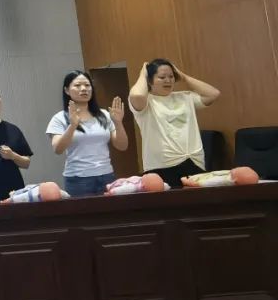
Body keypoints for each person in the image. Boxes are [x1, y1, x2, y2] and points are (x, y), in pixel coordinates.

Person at [128, 59, 220, 189]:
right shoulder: (146, 102)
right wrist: (143, 73)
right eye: (162, 77)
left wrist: (184, 77)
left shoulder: (185, 97)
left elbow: (213, 94)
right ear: (149, 80)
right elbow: (137, 95)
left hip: (193, 161)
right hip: (162, 165)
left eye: (171, 76)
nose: (168, 80)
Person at [46, 71, 129, 197]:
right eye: (77, 85)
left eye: (87, 85)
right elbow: (58, 149)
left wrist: (118, 123)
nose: (84, 89)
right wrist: (72, 126)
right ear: (67, 90)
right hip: (78, 179)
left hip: (106, 175)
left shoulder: (104, 115)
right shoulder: (60, 118)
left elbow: (122, 146)